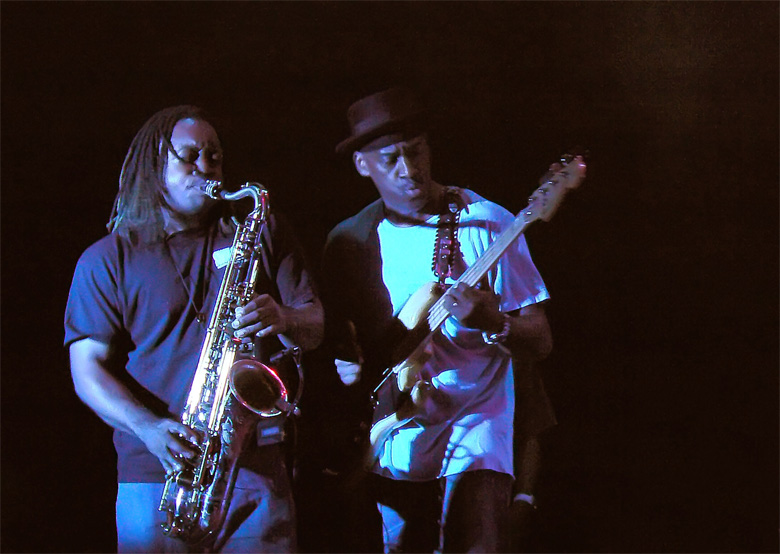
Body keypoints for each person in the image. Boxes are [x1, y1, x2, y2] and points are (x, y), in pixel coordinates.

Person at [64, 105, 324, 553]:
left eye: (214, 155)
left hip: (256, 468)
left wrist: (284, 318)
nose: (206, 167)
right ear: (154, 164)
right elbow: (86, 371)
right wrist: (148, 428)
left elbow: (315, 325)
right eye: (190, 156)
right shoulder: (108, 258)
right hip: (158, 475)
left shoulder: (258, 231)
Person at [321, 87, 561, 553]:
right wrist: (345, 364)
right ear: (362, 165)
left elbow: (541, 340)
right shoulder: (351, 242)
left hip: (477, 427)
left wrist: (493, 321)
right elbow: (338, 345)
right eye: (390, 159)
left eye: (415, 152)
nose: (408, 170)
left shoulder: (488, 222)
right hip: (397, 432)